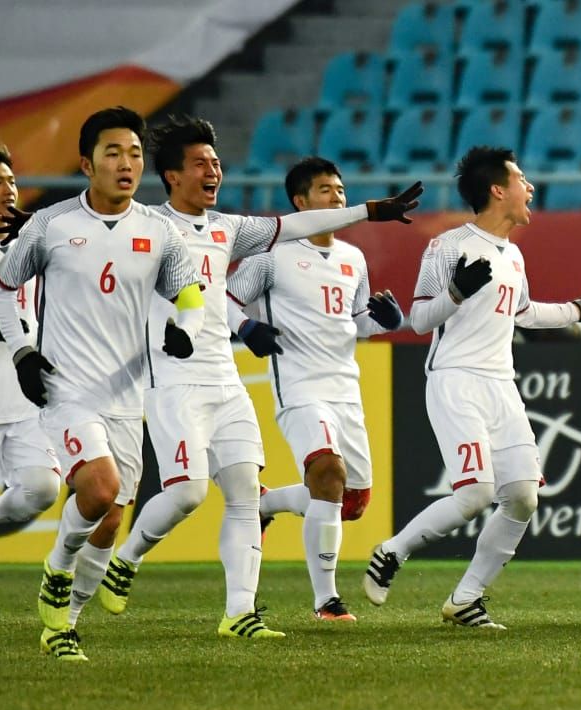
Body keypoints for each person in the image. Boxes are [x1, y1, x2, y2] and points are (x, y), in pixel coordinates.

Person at [93, 118, 419, 635]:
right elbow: (93, 230)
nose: (213, 171)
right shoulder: (146, 223)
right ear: (173, 176)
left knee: (248, 493)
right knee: (188, 493)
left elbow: (291, 227)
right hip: (173, 380)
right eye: (200, 163)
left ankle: (240, 613)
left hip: (227, 379)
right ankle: (126, 560)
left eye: (217, 163)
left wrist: (373, 212)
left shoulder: (229, 228)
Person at [360, 147, 581, 629]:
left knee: (522, 495)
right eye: (522, 179)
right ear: (498, 190)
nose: (531, 187)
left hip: (501, 384)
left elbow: (522, 312)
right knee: (476, 493)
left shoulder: (513, 254)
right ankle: (392, 551)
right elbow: (418, 320)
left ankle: (465, 598)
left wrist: (578, 310)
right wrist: (454, 293)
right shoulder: (447, 246)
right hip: (455, 379)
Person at [0, 107, 203, 661]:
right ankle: (56, 571)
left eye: (134, 153)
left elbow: (190, 295)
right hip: (66, 390)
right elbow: (2, 287)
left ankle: (64, 625)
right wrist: (22, 354)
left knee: (110, 521)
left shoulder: (162, 232)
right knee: (100, 487)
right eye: (113, 152)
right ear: (87, 163)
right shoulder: (50, 224)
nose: (127, 163)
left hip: (127, 397)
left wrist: (186, 329)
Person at [225, 157, 408, 622]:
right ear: (301, 202)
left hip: (345, 386)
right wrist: (245, 327)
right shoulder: (271, 254)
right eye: (325, 190)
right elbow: (222, 299)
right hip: (300, 386)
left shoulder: (353, 258)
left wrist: (385, 320)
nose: (338, 197)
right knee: (327, 470)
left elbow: (358, 321)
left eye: (341, 189)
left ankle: (267, 502)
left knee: (352, 502)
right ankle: (326, 600)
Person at [0, 148, 59, 581]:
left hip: (28, 395)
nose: (10, 190)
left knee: (43, 489)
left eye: (13, 181)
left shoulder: (33, 248)